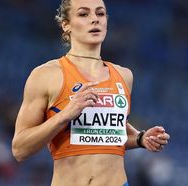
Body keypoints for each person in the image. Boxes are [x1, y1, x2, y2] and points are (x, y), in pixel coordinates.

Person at [11, 0, 170, 185]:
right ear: (66, 25)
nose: (94, 19)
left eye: (100, 13)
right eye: (83, 14)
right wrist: (65, 115)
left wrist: (141, 138)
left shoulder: (124, 75)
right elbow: (19, 150)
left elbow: (109, 134)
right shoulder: (46, 75)